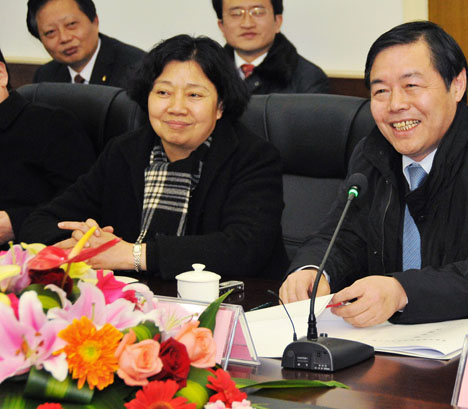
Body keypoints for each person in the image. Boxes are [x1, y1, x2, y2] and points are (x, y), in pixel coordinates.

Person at [280, 21, 468, 326]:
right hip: (398, 338)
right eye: (381, 91)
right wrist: (313, 270)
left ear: (456, 85)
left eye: (411, 86)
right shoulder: (372, 153)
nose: (396, 105)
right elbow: (343, 235)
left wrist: (403, 291)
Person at [20, 35, 288, 279]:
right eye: (163, 92)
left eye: (194, 95)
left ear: (220, 106)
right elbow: (40, 222)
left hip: (232, 303)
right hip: (135, 301)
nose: (176, 107)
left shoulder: (254, 157)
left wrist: (132, 255)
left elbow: (243, 249)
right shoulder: (125, 151)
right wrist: (82, 242)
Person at [0, 48, 95, 250]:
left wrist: (15, 222)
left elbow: (83, 203)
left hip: (35, 255)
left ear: (1, 74)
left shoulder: (54, 125)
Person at [212, 0, 329, 94]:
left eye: (258, 12)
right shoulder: (208, 73)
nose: (247, 24)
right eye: (236, 13)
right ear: (221, 26)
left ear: (277, 22)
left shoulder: (308, 79)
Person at [27, 0, 145, 88]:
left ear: (95, 20)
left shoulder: (137, 69)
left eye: (71, 24)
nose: (64, 38)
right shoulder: (45, 77)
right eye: (51, 32)